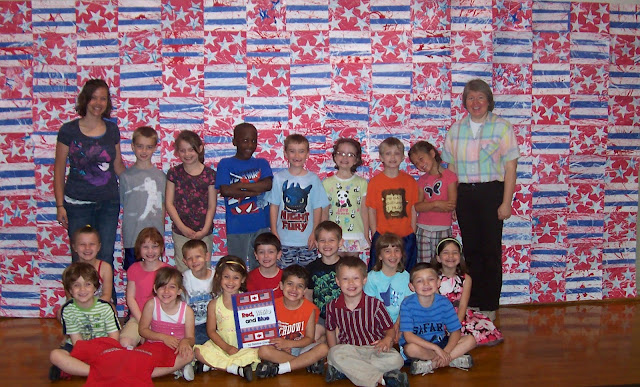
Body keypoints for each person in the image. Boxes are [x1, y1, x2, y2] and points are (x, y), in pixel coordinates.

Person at [442, 78, 520, 320]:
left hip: (491, 193)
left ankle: (489, 304)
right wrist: (453, 201)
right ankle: (472, 302)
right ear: (465, 102)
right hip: (465, 193)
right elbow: (451, 170)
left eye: (480, 97)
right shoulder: (455, 130)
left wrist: (506, 202)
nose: (476, 103)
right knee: (471, 251)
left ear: (489, 101)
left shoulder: (503, 127)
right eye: (471, 98)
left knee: (490, 251)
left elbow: (510, 168)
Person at [54, 78, 124, 305]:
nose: (98, 102)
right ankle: (77, 313)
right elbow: (59, 169)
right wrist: (60, 205)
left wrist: (143, 179)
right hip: (77, 204)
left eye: (103, 98)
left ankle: (106, 309)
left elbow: (118, 166)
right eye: (94, 97)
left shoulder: (112, 129)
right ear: (85, 99)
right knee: (80, 259)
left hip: (108, 203)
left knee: (104, 257)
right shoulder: (69, 130)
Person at [324, 256, 408, 387]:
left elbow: (389, 329)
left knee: (397, 360)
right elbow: (330, 331)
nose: (351, 283)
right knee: (334, 353)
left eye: (356, 278)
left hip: (374, 349)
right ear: (338, 281)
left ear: (364, 280)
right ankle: (382, 379)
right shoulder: (332, 307)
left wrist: (387, 339)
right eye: (345, 279)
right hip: (350, 349)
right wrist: (332, 350)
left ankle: (345, 371)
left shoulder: (375, 305)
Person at [399, 263, 477, 376]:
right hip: (420, 346)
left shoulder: (444, 302)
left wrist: (446, 351)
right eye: (420, 281)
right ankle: (451, 360)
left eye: (430, 279)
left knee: (471, 340)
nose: (426, 284)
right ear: (411, 286)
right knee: (411, 349)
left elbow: (455, 331)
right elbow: (408, 336)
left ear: (438, 283)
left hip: (440, 342)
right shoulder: (407, 304)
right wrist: (436, 349)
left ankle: (433, 364)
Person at [49, 262, 120, 381]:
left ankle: (75, 369)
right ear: (70, 290)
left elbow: (114, 337)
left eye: (87, 284)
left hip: (103, 346)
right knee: (55, 355)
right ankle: (95, 371)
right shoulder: (68, 310)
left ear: (95, 287)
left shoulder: (105, 307)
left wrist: (101, 352)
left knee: (121, 355)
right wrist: (86, 355)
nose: (82, 289)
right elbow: (77, 342)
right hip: (78, 347)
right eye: (76, 285)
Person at [216, 122, 273, 270]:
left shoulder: (261, 163)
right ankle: (238, 294)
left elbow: (267, 185)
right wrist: (254, 190)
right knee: (236, 267)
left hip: (261, 225)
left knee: (259, 267)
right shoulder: (225, 163)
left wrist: (239, 186)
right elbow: (225, 191)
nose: (250, 145)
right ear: (235, 141)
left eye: (254, 141)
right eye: (245, 140)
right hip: (236, 226)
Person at [267, 134, 329, 268]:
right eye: (292, 151)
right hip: (284, 240)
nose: (297, 155)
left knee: (306, 277)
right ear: (285, 153)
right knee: (286, 276)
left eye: (301, 151)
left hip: (307, 241)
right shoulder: (279, 178)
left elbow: (318, 207)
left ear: (307, 154)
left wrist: (314, 233)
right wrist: (274, 232)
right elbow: (274, 206)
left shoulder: (313, 179)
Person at [255, 265, 328, 378]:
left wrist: (289, 344)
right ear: (281, 285)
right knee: (263, 351)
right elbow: (266, 335)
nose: (294, 289)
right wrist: (281, 345)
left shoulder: (310, 309)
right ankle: (304, 364)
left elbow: (309, 339)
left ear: (304, 290)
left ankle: (283, 368)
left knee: (323, 348)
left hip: (301, 347)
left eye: (299, 286)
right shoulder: (272, 305)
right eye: (290, 284)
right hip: (279, 349)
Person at [194, 256, 258, 381]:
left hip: (242, 346)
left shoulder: (247, 301)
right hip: (221, 344)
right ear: (219, 277)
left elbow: (255, 326)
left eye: (236, 278)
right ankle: (235, 369)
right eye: (226, 277)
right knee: (198, 351)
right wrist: (226, 347)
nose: (230, 282)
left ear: (243, 279)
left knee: (258, 353)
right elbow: (211, 331)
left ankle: (213, 366)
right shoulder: (213, 304)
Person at [434, 238, 503, 346]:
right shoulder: (433, 278)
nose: (451, 256)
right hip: (438, 315)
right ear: (438, 258)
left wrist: (455, 325)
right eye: (446, 253)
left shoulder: (466, 279)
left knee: (479, 328)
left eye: (455, 253)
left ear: (460, 257)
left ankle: (460, 341)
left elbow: (462, 306)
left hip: (458, 315)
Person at [166, 130, 216, 273]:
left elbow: (212, 205)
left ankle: (204, 296)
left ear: (200, 149)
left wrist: (205, 229)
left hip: (204, 232)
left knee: (203, 269)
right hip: (181, 232)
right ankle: (185, 296)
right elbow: (169, 204)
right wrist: (182, 228)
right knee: (183, 269)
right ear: (177, 152)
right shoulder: (174, 173)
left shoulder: (210, 175)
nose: (187, 154)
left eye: (190, 150)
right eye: (182, 151)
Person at [366, 137, 418, 272]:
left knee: (406, 272)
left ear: (402, 157)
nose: (393, 157)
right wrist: (375, 232)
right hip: (383, 235)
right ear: (381, 157)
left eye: (397, 153)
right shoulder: (375, 182)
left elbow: (413, 208)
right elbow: (371, 209)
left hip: (406, 235)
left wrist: (412, 231)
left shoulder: (410, 181)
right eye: (388, 153)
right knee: (379, 271)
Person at [120, 125, 166, 271]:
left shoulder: (161, 177)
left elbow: (164, 205)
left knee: (154, 276)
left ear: (154, 148)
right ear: (132, 146)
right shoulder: (126, 176)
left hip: (154, 238)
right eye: (140, 146)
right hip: (132, 236)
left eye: (148, 147)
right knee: (134, 274)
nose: (144, 151)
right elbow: (124, 203)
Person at [138, 266, 196, 381]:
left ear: (179, 290)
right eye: (162, 286)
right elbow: (142, 330)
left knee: (189, 355)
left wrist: (185, 341)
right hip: (154, 346)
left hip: (175, 348)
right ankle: (175, 369)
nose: (166, 291)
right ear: (155, 288)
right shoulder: (151, 305)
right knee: (137, 360)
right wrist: (163, 337)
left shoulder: (186, 311)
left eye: (172, 287)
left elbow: (191, 338)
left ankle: (148, 373)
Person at [120, 227, 171, 348]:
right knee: (124, 343)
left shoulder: (167, 270)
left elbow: (170, 299)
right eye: (145, 247)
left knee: (161, 345)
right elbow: (130, 298)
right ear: (139, 248)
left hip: (161, 319)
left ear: (161, 248)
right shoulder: (134, 269)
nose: (150, 251)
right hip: (138, 317)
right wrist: (142, 322)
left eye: (154, 246)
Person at [409, 141, 457, 263]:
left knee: (442, 264)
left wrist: (427, 205)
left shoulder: (450, 177)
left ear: (432, 153)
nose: (420, 164)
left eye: (421, 159)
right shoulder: (421, 180)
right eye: (416, 163)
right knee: (424, 265)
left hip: (443, 228)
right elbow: (418, 207)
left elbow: (450, 205)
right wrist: (437, 204)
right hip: (423, 229)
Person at [322, 138, 370, 258]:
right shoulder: (327, 183)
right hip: (334, 236)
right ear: (335, 157)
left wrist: (365, 234)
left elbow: (364, 211)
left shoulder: (362, 183)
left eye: (350, 154)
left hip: (355, 234)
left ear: (356, 159)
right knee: (336, 268)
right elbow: (324, 212)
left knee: (353, 270)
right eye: (341, 153)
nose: (345, 157)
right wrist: (323, 235)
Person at [363, 232, 414, 343]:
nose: (393, 255)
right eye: (387, 251)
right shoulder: (372, 277)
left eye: (396, 250)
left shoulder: (406, 276)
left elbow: (407, 306)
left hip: (401, 321)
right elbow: (370, 307)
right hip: (378, 323)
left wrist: (398, 325)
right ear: (380, 256)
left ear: (402, 254)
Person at [304, 221, 343, 343]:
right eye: (322, 240)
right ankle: (323, 344)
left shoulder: (346, 266)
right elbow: (308, 295)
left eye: (331, 240)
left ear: (340, 242)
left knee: (336, 337)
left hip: (342, 318)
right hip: (320, 318)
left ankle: (324, 344)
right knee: (312, 337)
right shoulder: (311, 267)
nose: (327, 244)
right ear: (316, 243)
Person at [182, 239, 214, 345]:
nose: (194, 261)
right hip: (195, 324)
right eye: (190, 259)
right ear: (185, 262)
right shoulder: (184, 278)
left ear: (207, 256)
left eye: (198, 257)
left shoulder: (216, 276)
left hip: (215, 322)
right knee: (196, 341)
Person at [70, 225, 113, 304]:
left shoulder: (105, 268)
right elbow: (70, 298)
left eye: (92, 244)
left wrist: (91, 308)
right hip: (79, 306)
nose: (87, 248)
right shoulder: (71, 270)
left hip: (100, 305)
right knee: (61, 311)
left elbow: (107, 296)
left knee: (112, 309)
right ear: (74, 247)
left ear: (99, 247)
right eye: (82, 244)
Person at [246, 232, 283, 298]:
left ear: (278, 254)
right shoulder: (249, 278)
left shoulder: (286, 277)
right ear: (256, 255)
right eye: (261, 252)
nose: (266, 256)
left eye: (271, 252)